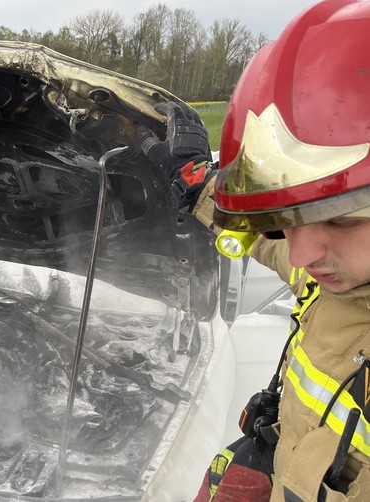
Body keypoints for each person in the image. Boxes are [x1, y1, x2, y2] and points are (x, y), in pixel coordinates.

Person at [138, 0, 370, 499]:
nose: (303, 253)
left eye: (341, 217)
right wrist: (197, 183)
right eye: (288, 220)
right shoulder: (344, 277)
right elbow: (266, 246)